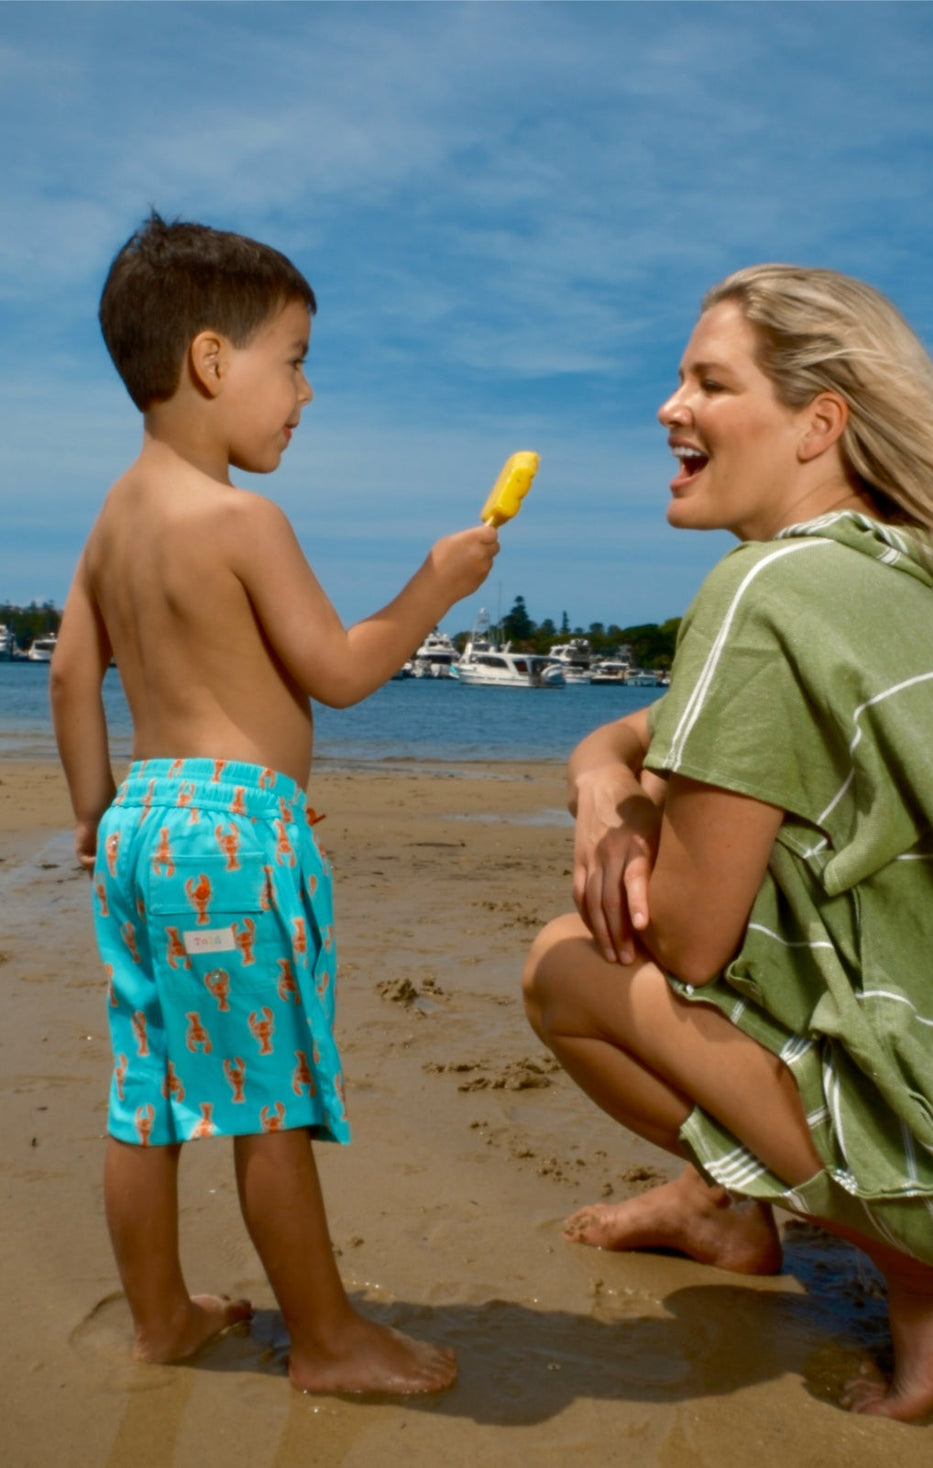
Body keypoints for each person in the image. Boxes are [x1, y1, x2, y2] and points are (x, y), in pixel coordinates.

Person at [522, 264, 933, 1422]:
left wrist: (628, 818)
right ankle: (716, 1202)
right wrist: (599, 773)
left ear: (816, 424)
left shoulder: (764, 591)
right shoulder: (921, 567)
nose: (667, 407)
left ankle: (931, 1277)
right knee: (783, 878)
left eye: (707, 382)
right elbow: (646, 729)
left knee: (566, 964)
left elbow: (686, 942)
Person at [50, 212, 500, 1395]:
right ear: (211, 360)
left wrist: (99, 814)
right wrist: (434, 586)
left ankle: (162, 1317)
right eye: (294, 361)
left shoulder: (112, 521)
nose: (305, 392)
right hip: (230, 840)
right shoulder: (243, 521)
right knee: (267, 1095)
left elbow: (69, 676)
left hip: (145, 825)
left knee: (147, 1086)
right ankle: (328, 1339)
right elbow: (339, 671)